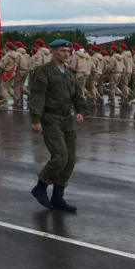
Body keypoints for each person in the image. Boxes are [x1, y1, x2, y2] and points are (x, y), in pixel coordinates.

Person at [28, 39, 89, 213]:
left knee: (70, 159)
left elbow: (78, 96)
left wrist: (81, 111)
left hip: (66, 119)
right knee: (60, 156)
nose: (67, 53)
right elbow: (37, 96)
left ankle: (58, 196)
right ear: (52, 51)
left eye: (68, 51)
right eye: (62, 51)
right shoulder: (44, 72)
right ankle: (40, 187)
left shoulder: (69, 74)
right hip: (50, 118)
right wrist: (35, 119)